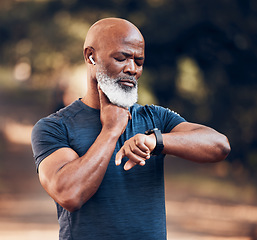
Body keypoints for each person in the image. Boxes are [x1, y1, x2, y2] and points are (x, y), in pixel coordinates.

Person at [31, 18, 230, 240]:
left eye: (139, 61)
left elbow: (219, 145)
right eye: (121, 58)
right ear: (91, 56)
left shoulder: (154, 117)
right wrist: (110, 131)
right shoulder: (54, 127)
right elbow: (69, 194)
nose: (132, 69)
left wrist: (156, 141)